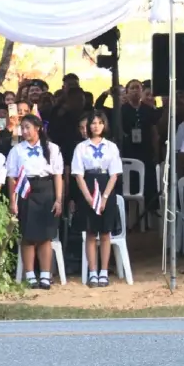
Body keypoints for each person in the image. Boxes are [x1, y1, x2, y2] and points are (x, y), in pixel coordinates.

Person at [7, 114, 64, 290]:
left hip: (46, 190)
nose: (24, 131)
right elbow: (12, 177)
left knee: (45, 236)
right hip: (26, 190)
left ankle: (46, 275)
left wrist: (58, 200)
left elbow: (58, 176)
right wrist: (13, 201)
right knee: (28, 235)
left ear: (37, 127)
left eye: (27, 127)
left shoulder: (52, 148)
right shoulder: (17, 150)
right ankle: (30, 275)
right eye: (22, 128)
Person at [70, 110, 121, 287]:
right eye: (93, 123)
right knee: (91, 233)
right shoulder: (81, 147)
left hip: (106, 185)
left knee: (106, 233)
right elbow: (78, 175)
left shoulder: (111, 147)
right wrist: (89, 199)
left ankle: (104, 272)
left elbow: (114, 174)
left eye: (100, 122)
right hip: (88, 186)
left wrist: (105, 197)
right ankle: (93, 272)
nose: (96, 126)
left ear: (104, 125)